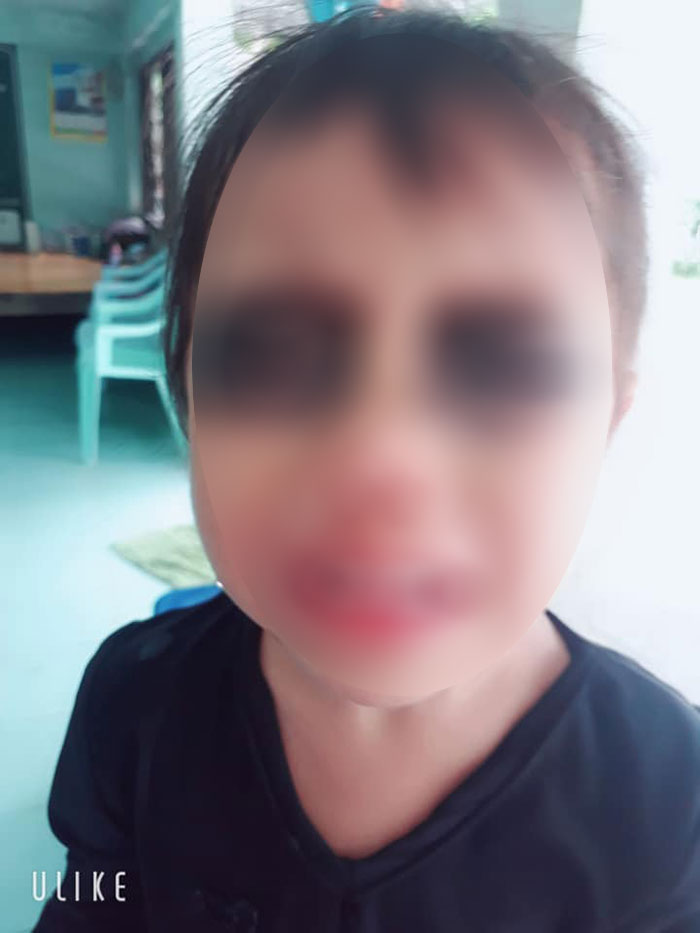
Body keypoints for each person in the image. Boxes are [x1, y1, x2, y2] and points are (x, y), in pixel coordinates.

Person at [34, 8, 700, 932]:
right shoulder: (132, 708)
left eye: (500, 365)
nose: (379, 460)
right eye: (273, 355)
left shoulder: (667, 802)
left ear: (608, 423)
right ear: (188, 395)